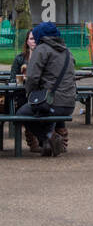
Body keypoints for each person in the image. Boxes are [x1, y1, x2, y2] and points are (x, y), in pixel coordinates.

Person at [18, 23, 77, 156]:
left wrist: (30, 94)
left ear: (40, 35)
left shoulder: (42, 49)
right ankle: (47, 145)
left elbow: (32, 78)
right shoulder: (67, 51)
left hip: (51, 103)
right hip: (69, 104)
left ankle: (48, 136)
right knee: (44, 111)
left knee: (21, 113)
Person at [3, 29, 34, 116]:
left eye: (36, 38)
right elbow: (12, 79)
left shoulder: (44, 58)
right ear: (27, 41)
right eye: (31, 39)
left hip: (38, 94)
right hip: (22, 93)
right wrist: (22, 78)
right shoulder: (19, 58)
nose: (34, 41)